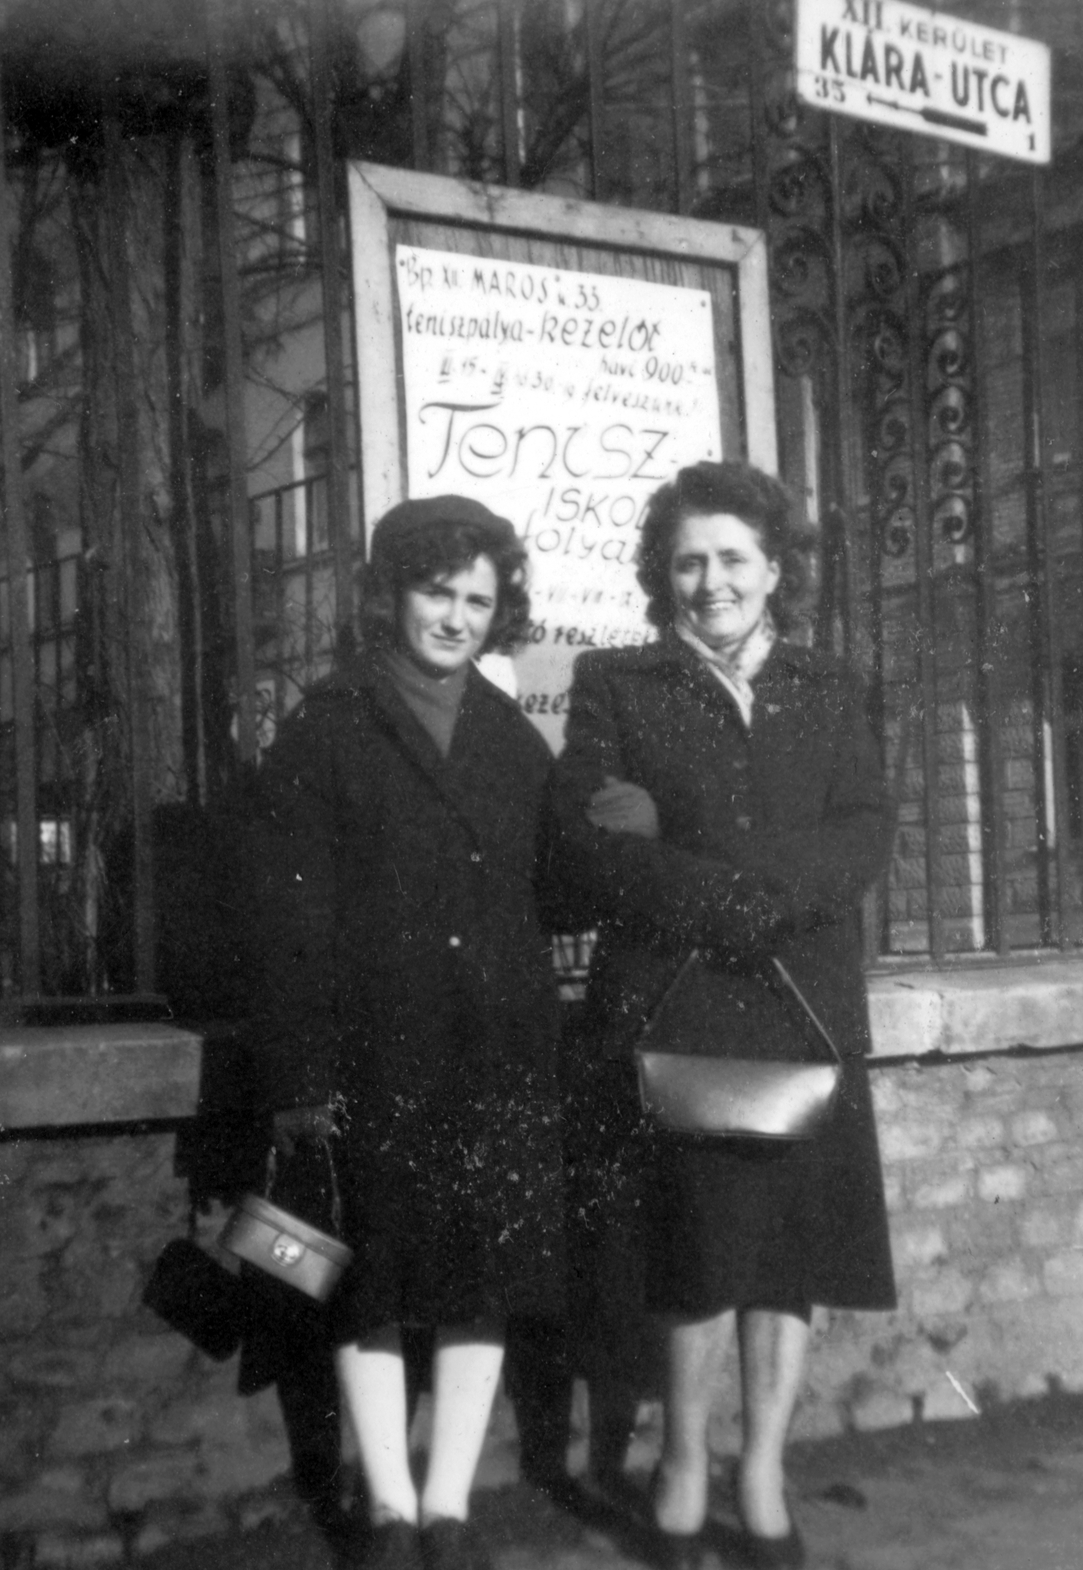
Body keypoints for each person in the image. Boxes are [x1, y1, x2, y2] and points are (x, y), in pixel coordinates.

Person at [548, 461, 897, 1570]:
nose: (711, 583)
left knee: (786, 1254)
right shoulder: (618, 683)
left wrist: (750, 887)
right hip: (680, 1003)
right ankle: (684, 1462)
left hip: (799, 1003)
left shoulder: (830, 687)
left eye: (733, 559)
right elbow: (590, 844)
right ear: (665, 573)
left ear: (775, 568)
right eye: (689, 561)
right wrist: (717, 897)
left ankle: (763, 1469)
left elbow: (865, 828)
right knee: (694, 1254)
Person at [250, 495, 566, 1570]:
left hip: (498, 1051)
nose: (456, 617)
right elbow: (286, 922)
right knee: (372, 1282)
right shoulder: (326, 727)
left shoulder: (510, 736)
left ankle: (448, 1507)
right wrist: (299, 1075)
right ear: (389, 595)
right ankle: (388, 1509)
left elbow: (556, 887)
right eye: (437, 592)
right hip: (374, 1054)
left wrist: (616, 824)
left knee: (484, 1279)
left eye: (478, 599)